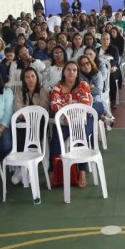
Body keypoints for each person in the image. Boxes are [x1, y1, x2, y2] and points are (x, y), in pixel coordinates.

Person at [49, 61, 93, 189]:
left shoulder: (83, 85)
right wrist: (66, 115)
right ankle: (53, 171)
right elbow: (54, 104)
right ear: (64, 72)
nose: (71, 72)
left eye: (74, 70)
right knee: (56, 141)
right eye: (68, 69)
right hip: (64, 122)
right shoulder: (57, 87)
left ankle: (82, 173)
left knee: (81, 140)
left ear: (77, 72)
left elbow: (84, 103)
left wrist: (70, 115)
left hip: (79, 121)